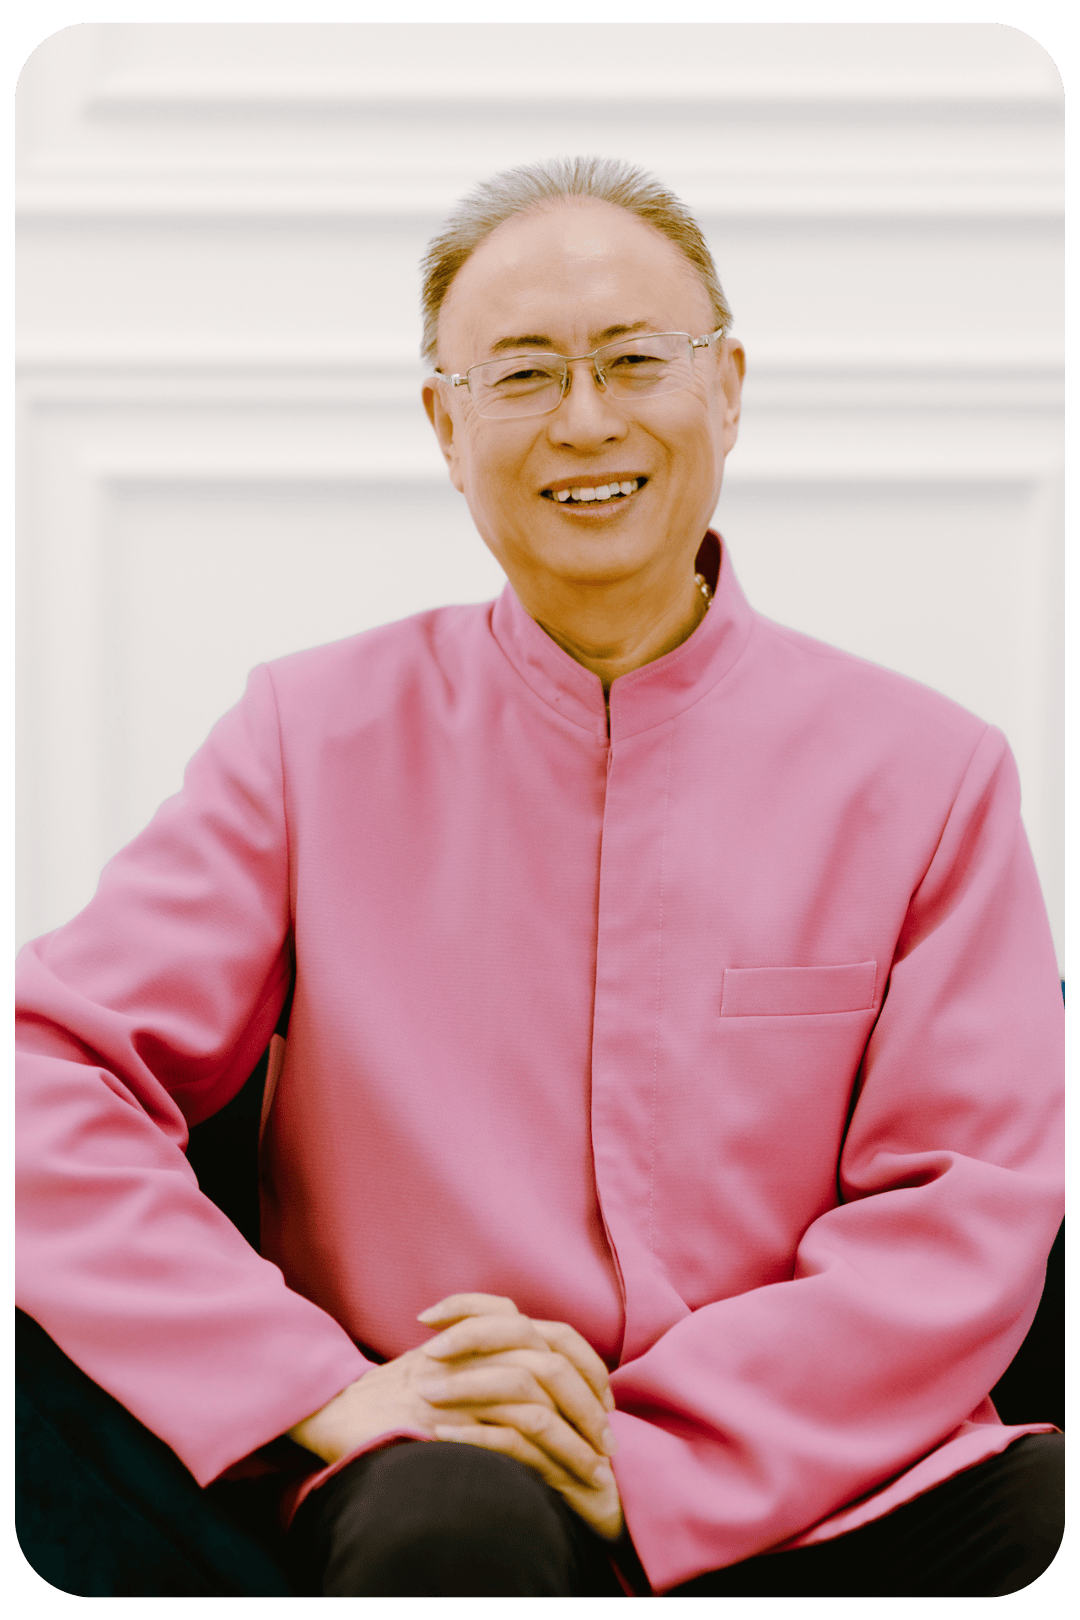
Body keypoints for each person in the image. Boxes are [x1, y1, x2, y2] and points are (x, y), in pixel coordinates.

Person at [14, 156, 1064, 1598]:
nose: (585, 420)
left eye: (636, 360)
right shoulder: (306, 740)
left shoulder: (934, 774)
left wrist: (650, 1453)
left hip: (828, 1465)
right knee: (454, 1531)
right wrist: (314, 1385)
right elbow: (43, 1076)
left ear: (728, 390)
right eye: (521, 374)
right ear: (446, 427)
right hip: (445, 1449)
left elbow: (963, 1212)